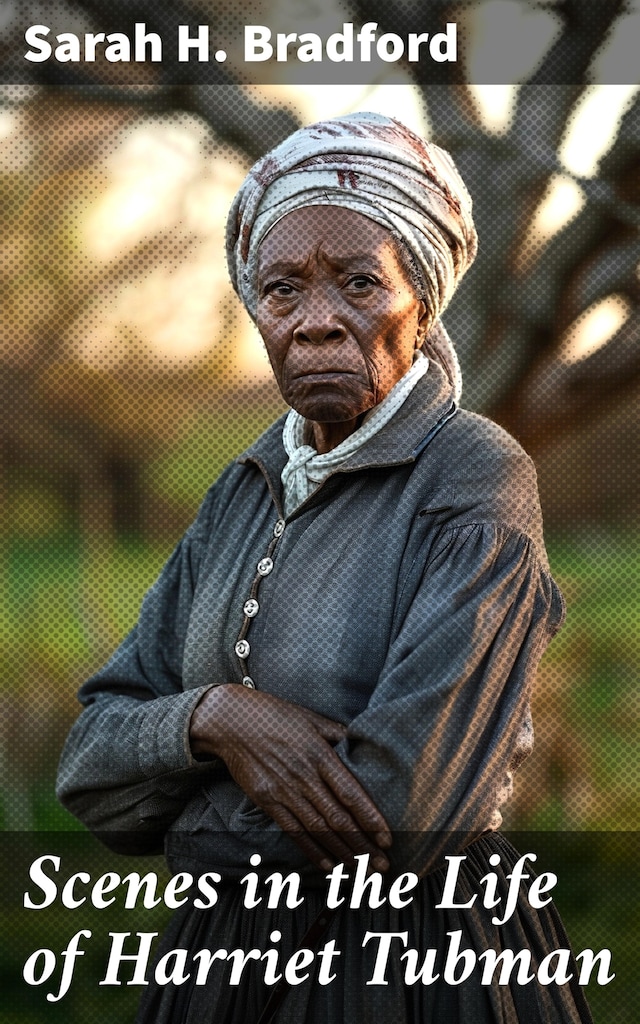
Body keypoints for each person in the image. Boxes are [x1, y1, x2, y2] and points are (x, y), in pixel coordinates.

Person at [57, 112, 593, 1023]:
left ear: (419, 302)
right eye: (282, 291)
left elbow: (400, 815)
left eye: (357, 284)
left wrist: (184, 819)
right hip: (221, 975)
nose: (315, 325)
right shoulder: (246, 486)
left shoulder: (475, 477)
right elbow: (91, 771)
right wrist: (218, 719)